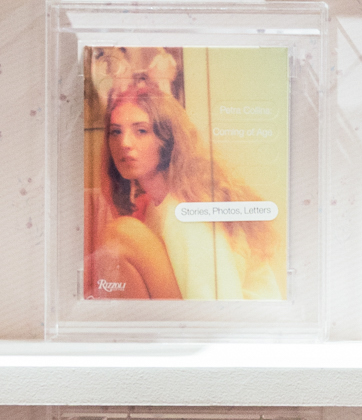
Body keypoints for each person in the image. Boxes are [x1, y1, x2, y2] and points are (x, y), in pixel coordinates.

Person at [85, 80, 282, 302]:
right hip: (207, 317)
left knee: (123, 233)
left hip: (238, 321)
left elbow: (218, 305)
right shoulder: (157, 206)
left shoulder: (187, 209)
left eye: (141, 130)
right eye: (116, 132)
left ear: (168, 138)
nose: (124, 143)